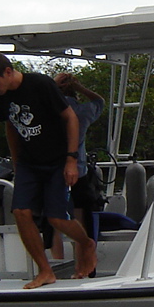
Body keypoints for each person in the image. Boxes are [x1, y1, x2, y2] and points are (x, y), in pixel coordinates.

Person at [0, 52, 97, 289]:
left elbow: (71, 118)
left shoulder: (40, 84)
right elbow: (11, 126)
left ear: (8, 72)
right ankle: (45, 271)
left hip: (57, 160)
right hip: (28, 163)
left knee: (56, 218)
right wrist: (15, 161)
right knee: (21, 212)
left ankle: (86, 243)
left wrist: (71, 160)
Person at [50, 72, 105, 259]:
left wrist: (53, 85)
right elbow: (100, 102)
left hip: (53, 171)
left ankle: (56, 261)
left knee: (54, 218)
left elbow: (34, 103)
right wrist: (80, 87)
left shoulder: (48, 112)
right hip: (78, 171)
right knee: (80, 216)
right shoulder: (82, 112)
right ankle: (81, 264)